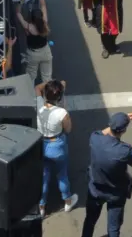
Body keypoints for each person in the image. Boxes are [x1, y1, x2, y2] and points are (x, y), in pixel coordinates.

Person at [81, 111, 132, 237]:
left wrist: (117, 122)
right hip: (115, 194)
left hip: (95, 191)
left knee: (90, 221)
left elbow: (104, 132)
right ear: (123, 131)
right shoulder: (124, 151)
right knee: (113, 229)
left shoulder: (94, 138)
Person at [36, 80, 78, 217]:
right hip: (57, 145)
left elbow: (37, 88)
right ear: (59, 97)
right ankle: (67, 201)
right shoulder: (62, 113)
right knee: (62, 174)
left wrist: (50, 83)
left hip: (42, 144)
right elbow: (69, 129)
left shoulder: (38, 106)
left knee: (43, 176)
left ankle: (41, 205)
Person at [16, 0, 53, 84]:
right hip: (45, 51)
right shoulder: (44, 23)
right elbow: (43, 5)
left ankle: (32, 96)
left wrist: (21, 0)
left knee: (31, 76)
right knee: (47, 77)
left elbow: (18, 13)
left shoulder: (28, 27)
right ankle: (47, 95)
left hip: (32, 53)